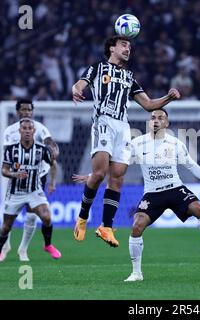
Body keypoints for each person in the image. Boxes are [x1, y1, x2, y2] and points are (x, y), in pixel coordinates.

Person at [73, 109, 200, 282]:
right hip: (152, 193)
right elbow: (117, 167)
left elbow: (190, 164)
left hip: (175, 188)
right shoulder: (137, 143)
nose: (156, 120)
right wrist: (92, 175)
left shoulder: (175, 143)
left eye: (160, 118)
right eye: (153, 117)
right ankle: (136, 273)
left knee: (199, 209)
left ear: (167, 123)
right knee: (137, 227)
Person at [71, 35, 180, 247]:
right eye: (123, 45)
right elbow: (79, 84)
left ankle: (106, 227)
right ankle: (82, 218)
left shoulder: (129, 77)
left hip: (122, 127)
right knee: (100, 173)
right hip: (103, 121)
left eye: (129, 46)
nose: (128, 49)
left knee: (118, 178)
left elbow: (148, 104)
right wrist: (76, 91)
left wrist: (168, 97)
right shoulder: (97, 68)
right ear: (111, 48)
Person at [0, 118, 61, 263]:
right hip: (15, 193)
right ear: (20, 131)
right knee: (6, 227)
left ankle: (47, 245)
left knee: (46, 217)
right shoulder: (11, 150)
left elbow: (53, 164)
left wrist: (52, 183)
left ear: (34, 131)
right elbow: (4, 170)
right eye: (24, 128)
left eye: (30, 128)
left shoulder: (41, 150)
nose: (27, 131)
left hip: (34, 191)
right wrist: (14, 174)